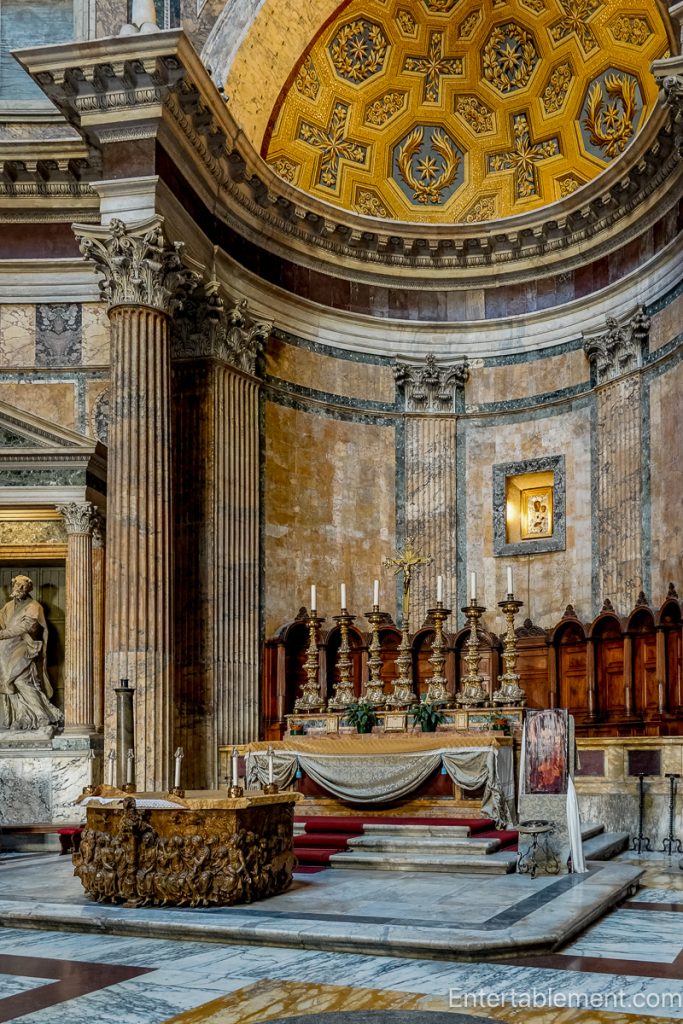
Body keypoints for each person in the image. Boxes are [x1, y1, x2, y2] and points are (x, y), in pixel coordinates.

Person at [0, 574, 63, 731]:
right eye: (16, 586)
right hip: (5, 650)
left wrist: (3, 634)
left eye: (22, 587)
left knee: (21, 681)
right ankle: (22, 717)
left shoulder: (34, 606)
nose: (18, 589)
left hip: (24, 646)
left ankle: (42, 714)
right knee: (8, 683)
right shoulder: (8, 606)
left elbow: (27, 627)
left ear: (28, 589)